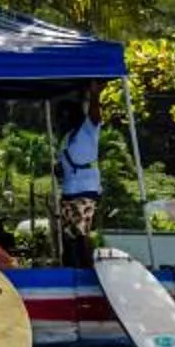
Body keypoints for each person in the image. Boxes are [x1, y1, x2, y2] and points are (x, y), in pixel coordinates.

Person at [54, 97, 105, 267]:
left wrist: (94, 94)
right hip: (68, 191)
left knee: (82, 233)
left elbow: (95, 115)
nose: (63, 119)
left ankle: (88, 271)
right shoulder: (66, 138)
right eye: (61, 116)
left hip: (86, 191)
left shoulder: (88, 130)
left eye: (66, 115)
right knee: (68, 236)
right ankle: (72, 269)